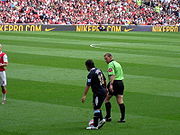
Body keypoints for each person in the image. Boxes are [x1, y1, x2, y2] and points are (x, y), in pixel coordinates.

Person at [81, 59, 106, 130]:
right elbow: (104, 79)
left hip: (98, 92)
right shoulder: (99, 70)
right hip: (103, 90)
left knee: (96, 107)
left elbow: (88, 85)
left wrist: (84, 95)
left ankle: (95, 125)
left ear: (87, 66)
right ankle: (101, 119)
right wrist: (105, 88)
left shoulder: (91, 74)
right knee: (96, 105)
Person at [104, 53, 126, 123]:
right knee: (120, 100)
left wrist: (111, 84)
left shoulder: (111, 64)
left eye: (106, 58)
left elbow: (112, 75)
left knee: (106, 99)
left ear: (110, 57)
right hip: (120, 83)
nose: (105, 60)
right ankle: (123, 118)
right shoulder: (118, 64)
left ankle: (108, 116)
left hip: (115, 83)